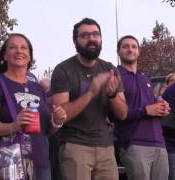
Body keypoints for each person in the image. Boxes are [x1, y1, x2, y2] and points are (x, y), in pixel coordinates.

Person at [0, 33, 67, 180]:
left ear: (30, 56)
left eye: (24, 48)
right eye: (13, 47)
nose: (19, 51)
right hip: (9, 165)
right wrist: (14, 126)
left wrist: (57, 121)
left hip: (41, 164)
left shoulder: (37, 88)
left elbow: (46, 132)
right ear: (5, 56)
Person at [51, 18, 128, 180]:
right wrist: (91, 92)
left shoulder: (109, 68)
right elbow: (60, 115)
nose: (92, 39)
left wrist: (112, 95)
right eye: (85, 35)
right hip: (75, 146)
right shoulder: (63, 69)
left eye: (95, 34)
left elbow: (123, 114)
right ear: (75, 41)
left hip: (106, 147)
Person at [115, 35, 170, 180]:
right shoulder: (115, 76)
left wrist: (162, 107)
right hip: (135, 143)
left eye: (134, 47)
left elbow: (151, 106)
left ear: (138, 51)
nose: (130, 49)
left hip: (159, 142)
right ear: (118, 51)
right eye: (125, 46)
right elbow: (116, 114)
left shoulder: (144, 78)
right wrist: (146, 111)